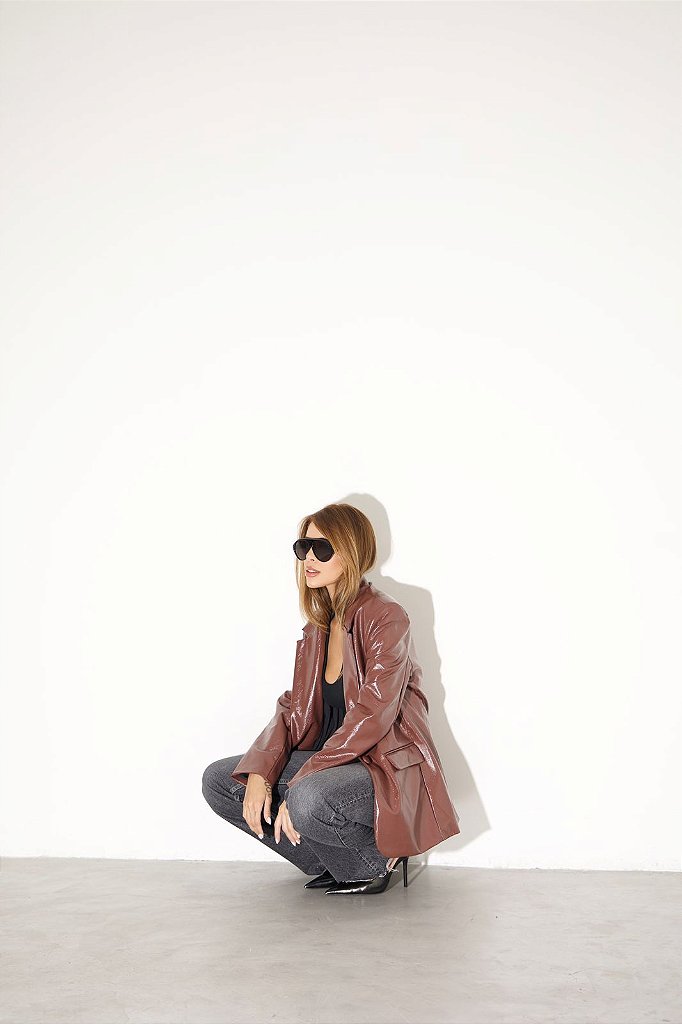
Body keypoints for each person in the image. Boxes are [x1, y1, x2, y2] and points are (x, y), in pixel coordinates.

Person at [202, 502, 460, 895]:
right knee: (222, 781)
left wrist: (303, 776)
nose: (309, 557)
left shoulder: (386, 617)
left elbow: (373, 712)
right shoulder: (319, 625)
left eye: (322, 548)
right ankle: (335, 861)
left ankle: (372, 863)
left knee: (306, 796)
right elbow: (293, 706)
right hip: (332, 763)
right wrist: (260, 771)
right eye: (303, 547)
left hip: (380, 765)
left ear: (352, 552)